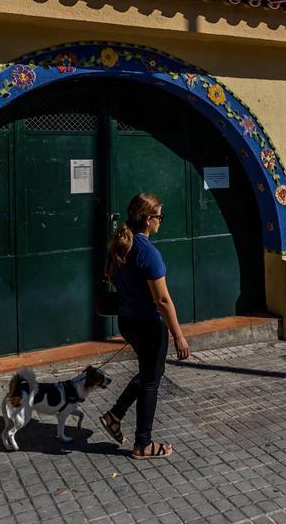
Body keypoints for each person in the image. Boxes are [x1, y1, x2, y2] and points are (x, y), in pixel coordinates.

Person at [99, 193, 190, 459]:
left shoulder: (121, 245)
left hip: (127, 321)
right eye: (160, 217)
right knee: (151, 381)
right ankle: (143, 444)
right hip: (149, 325)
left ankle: (115, 415)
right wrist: (179, 336)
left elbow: (111, 277)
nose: (161, 221)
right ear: (149, 220)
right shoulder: (148, 253)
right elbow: (162, 300)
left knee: (150, 372)